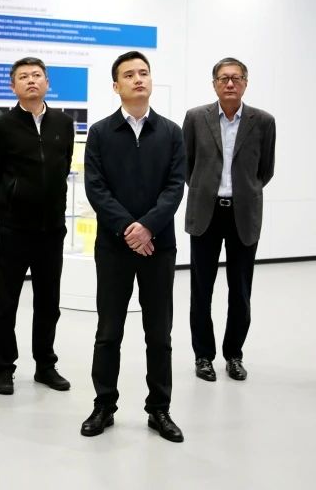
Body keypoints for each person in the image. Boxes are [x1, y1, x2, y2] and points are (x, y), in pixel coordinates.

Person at [81, 51, 186, 443]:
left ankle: (159, 409)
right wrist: (129, 228)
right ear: (116, 86)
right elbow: (96, 188)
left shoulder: (171, 132)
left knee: (159, 333)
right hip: (113, 247)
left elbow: (175, 187)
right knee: (109, 331)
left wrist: (148, 228)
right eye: (129, 74)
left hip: (159, 246)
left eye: (144, 72)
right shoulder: (100, 132)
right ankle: (104, 405)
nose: (138, 79)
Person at [0, 60, 74, 395]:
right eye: (23, 77)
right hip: (14, 229)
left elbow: (63, 165)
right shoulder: (2, 126)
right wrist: (7, 204)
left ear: (47, 82)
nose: (31, 81)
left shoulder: (63, 123)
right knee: (6, 302)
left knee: (49, 302)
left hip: (52, 229)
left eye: (36, 75)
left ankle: (45, 365)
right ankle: (4, 367)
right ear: (13, 86)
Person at [183, 57, 276, 383]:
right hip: (206, 214)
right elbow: (187, 164)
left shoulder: (263, 121)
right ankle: (203, 356)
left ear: (245, 83)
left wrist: (243, 192)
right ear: (214, 84)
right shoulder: (196, 118)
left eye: (236, 78)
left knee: (240, 290)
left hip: (243, 214)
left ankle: (234, 355)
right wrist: (206, 190)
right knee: (201, 290)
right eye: (223, 78)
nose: (230, 83)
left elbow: (265, 170)